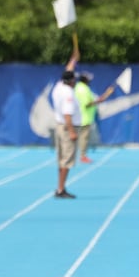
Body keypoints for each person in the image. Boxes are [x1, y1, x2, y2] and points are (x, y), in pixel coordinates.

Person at [51, 45, 81, 199]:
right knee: (67, 160)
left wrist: (74, 59)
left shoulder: (58, 87)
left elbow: (67, 69)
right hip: (66, 127)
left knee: (62, 159)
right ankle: (61, 189)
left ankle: (60, 187)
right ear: (71, 81)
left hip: (59, 125)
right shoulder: (68, 93)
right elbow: (67, 114)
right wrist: (72, 132)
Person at [74, 72, 115, 163]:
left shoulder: (80, 88)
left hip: (81, 117)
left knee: (80, 138)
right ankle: (82, 156)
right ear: (84, 80)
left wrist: (105, 95)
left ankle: (79, 155)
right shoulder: (83, 89)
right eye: (88, 79)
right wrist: (103, 97)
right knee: (83, 138)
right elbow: (87, 104)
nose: (90, 81)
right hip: (84, 117)